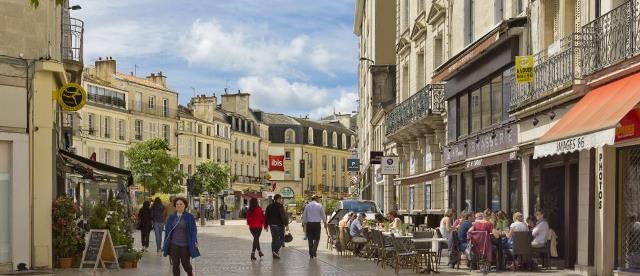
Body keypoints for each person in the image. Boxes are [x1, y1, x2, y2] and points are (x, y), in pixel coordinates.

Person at [162, 197, 199, 276]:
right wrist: (166, 242)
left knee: (186, 264)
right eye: (177, 204)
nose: (179, 206)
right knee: (175, 264)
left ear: (185, 205)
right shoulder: (172, 217)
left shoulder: (189, 217)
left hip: (185, 244)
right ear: (175, 206)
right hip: (174, 244)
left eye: (181, 204)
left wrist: (194, 240)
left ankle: (190, 273)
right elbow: (168, 230)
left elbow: (193, 230)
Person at [265, 194, 289, 259]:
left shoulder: (269, 206)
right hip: (279, 226)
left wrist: (266, 225)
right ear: (278, 199)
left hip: (272, 225)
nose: (281, 200)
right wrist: (286, 225)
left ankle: (274, 253)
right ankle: (275, 251)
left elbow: (266, 216)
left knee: (274, 239)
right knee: (282, 238)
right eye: (280, 199)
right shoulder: (280, 206)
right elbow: (284, 216)